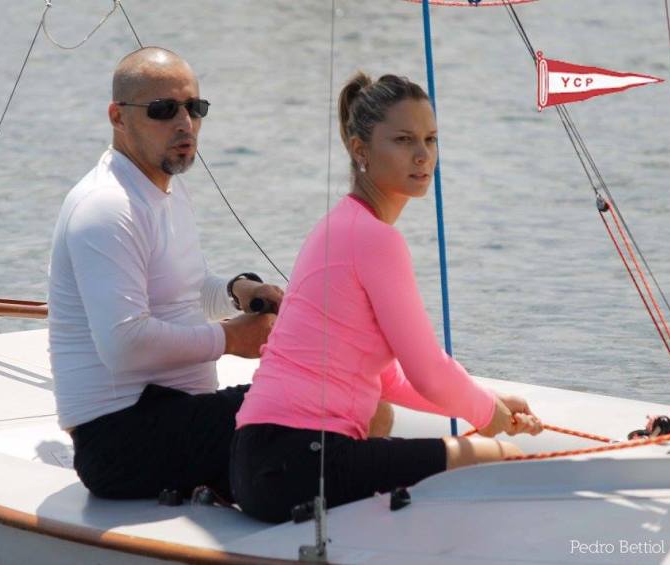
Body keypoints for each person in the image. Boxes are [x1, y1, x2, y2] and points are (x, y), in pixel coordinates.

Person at [229, 72, 543, 523]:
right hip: (298, 461)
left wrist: (490, 400)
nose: (423, 155)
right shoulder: (375, 239)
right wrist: (486, 415)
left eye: (430, 139)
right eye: (403, 140)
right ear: (361, 150)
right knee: (504, 459)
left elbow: (390, 380)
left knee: (382, 415)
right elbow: (428, 371)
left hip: (259, 461)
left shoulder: (342, 224)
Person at [47, 47, 284, 500]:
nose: (185, 123)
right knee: (309, 399)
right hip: (120, 437)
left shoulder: (166, 191)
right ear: (118, 117)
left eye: (195, 108)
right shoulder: (106, 207)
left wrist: (237, 290)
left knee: (315, 394)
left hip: (177, 416)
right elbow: (124, 344)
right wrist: (232, 339)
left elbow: (186, 291)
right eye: (163, 110)